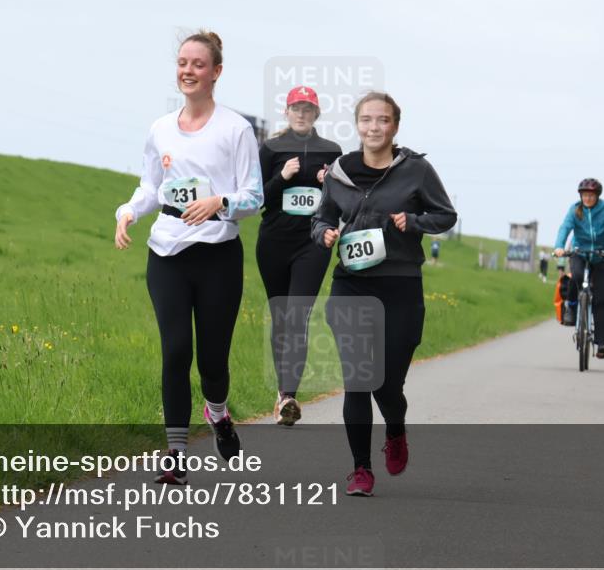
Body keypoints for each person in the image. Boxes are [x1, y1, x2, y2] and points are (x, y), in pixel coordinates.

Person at [114, 30, 264, 484]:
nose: (188, 71)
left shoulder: (235, 129)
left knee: (212, 361)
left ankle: (217, 412)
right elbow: (151, 189)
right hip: (167, 254)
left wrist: (219, 203)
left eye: (198, 64)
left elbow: (254, 197)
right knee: (176, 351)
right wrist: (128, 213)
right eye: (183, 62)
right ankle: (175, 455)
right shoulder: (160, 129)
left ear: (216, 72)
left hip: (218, 257)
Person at [312, 92, 457, 497]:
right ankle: (360, 469)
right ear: (357, 125)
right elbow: (322, 214)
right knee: (358, 379)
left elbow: (445, 215)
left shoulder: (416, 170)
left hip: (399, 285)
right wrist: (323, 232)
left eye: (383, 121)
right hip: (351, 284)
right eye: (366, 120)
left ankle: (395, 429)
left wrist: (412, 221)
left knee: (387, 384)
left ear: (395, 126)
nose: (374, 128)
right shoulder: (340, 171)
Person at [257, 86, 342, 426]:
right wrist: (282, 176)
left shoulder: (331, 151)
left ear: (316, 114)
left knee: (297, 317)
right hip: (274, 242)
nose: (302, 114)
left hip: (312, 244)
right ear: (287, 112)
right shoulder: (271, 148)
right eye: (297, 108)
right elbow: (258, 198)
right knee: (282, 319)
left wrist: (329, 183)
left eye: (308, 109)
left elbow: (344, 201)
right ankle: (282, 395)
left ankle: (289, 395)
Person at [553, 178, 604, 359]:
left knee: (600, 298)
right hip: (580, 253)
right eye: (585, 195)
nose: (588, 198)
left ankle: (601, 343)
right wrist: (559, 247)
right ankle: (572, 306)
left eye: (591, 195)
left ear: (597, 196)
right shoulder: (575, 209)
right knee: (575, 277)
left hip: (601, 256)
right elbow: (564, 228)